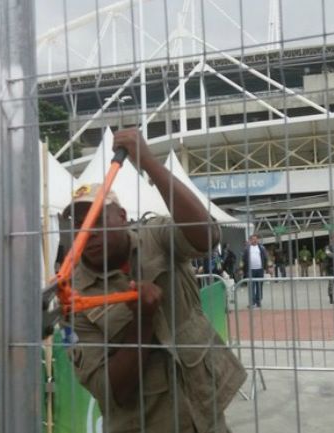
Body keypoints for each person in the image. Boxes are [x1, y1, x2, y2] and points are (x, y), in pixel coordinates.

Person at [61, 129, 246, 433]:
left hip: (205, 415)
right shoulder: (75, 296)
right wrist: (143, 321)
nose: (87, 232)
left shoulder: (156, 237)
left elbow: (206, 237)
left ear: (121, 216)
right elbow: (109, 389)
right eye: (78, 225)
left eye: (96, 220)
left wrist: (148, 162)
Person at [242, 234, 269, 308]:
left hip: (260, 270)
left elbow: (266, 258)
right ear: (250, 240)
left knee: (259, 286)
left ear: (258, 240)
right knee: (251, 286)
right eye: (253, 239)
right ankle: (252, 302)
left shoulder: (262, 248)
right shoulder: (247, 249)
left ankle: (258, 301)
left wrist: (267, 268)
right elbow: (243, 259)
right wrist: (242, 269)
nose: (254, 240)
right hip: (250, 270)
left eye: (256, 239)